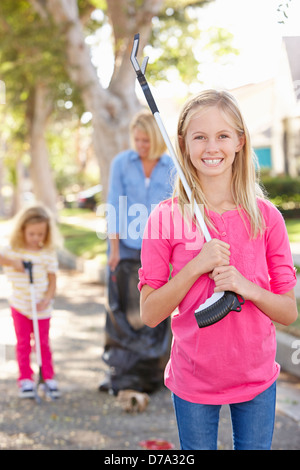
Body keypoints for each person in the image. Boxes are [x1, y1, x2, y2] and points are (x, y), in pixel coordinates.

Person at [138, 90, 298, 450]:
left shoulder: (266, 218)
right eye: (200, 137)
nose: (212, 147)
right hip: (194, 377)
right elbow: (150, 313)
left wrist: (247, 287)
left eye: (223, 135)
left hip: (256, 376)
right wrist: (197, 265)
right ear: (183, 144)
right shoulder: (165, 218)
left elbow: (289, 312)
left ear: (240, 141)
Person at [100, 109, 175, 395]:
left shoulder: (170, 166)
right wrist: (114, 249)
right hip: (127, 249)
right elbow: (114, 205)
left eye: (146, 140)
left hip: (158, 250)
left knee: (154, 313)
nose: (141, 145)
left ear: (156, 140)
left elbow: (175, 210)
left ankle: (154, 374)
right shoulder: (122, 163)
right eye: (137, 140)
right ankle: (122, 373)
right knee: (123, 314)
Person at [0, 205, 60, 398]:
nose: (36, 238)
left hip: (41, 308)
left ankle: (48, 377)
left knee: (43, 343)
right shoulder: (12, 250)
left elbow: (52, 282)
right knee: (23, 343)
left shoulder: (47, 253)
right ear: (22, 230)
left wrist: (46, 299)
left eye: (40, 234)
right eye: (32, 233)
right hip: (20, 305)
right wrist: (11, 262)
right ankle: (25, 378)